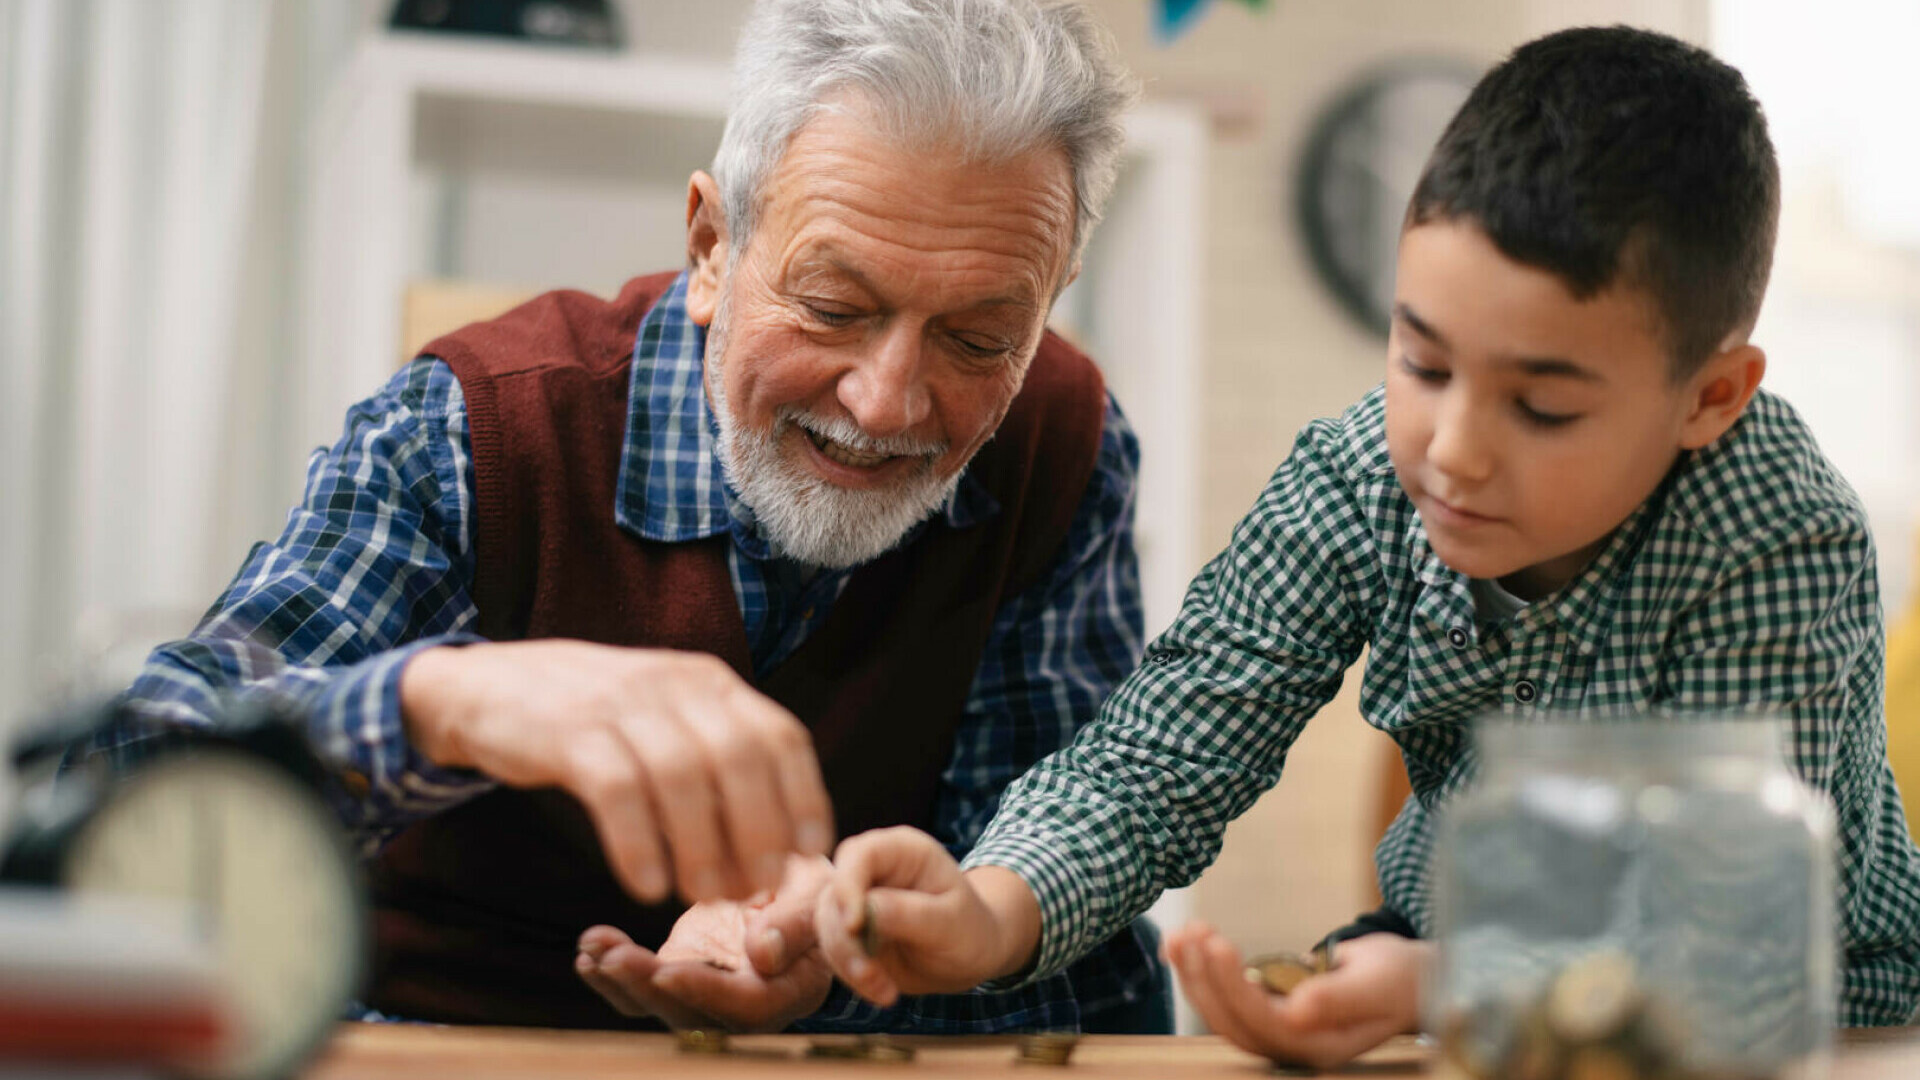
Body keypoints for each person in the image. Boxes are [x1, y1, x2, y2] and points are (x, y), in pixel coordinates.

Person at [812, 24, 1920, 1065]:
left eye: (1542, 408)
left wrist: (1452, 985)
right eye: (1423, 363)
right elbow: (1164, 755)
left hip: (1809, 1008)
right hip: (1446, 949)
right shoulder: (1354, 477)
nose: (1455, 452)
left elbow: (1734, 937)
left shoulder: (1782, 530)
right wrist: (990, 906)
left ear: (1711, 397)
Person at [103, 0, 1168, 1037]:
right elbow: (122, 798)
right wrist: (444, 701)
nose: (886, 403)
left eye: (980, 338)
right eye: (836, 309)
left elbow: (1057, 921)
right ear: (711, 246)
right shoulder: (477, 431)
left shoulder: (1061, 447)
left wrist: (848, 966)